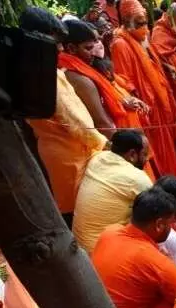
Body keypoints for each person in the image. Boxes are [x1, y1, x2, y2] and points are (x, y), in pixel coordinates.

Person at [20, 8, 108, 222]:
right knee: (82, 208)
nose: (59, 48)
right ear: (37, 39)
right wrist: (104, 142)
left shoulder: (28, 69)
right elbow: (73, 118)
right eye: (55, 42)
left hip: (58, 148)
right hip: (72, 151)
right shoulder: (46, 74)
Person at [92, 189, 176, 308]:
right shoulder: (151, 259)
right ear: (158, 225)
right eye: (170, 224)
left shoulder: (109, 232)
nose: (173, 228)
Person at [111, 0, 176, 178]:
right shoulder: (120, 44)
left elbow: (151, 59)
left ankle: (174, 174)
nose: (145, 27)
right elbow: (123, 79)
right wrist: (142, 98)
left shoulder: (141, 36)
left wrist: (167, 68)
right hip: (147, 102)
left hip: (159, 96)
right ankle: (166, 177)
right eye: (139, 23)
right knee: (156, 142)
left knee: (166, 138)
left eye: (145, 21)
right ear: (127, 21)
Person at [59, 19, 148, 133]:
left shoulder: (84, 67)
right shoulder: (77, 77)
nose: (94, 52)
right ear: (71, 48)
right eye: (88, 48)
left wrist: (124, 100)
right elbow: (102, 122)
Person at [73, 130, 153, 254]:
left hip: (80, 247)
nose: (147, 159)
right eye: (145, 154)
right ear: (132, 154)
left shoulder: (97, 158)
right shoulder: (137, 178)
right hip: (103, 253)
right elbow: (157, 212)